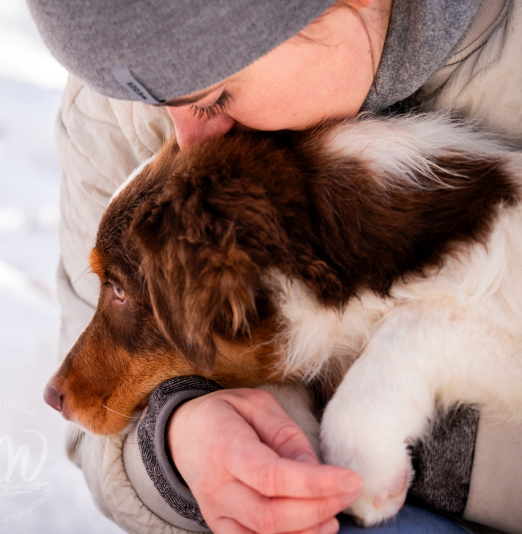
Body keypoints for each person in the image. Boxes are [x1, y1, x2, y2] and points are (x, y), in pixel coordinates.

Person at [26, 0, 522, 532]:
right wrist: (179, 435)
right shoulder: (108, 109)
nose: (188, 142)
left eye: (215, 96)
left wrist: (408, 364)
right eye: (158, 102)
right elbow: (97, 440)